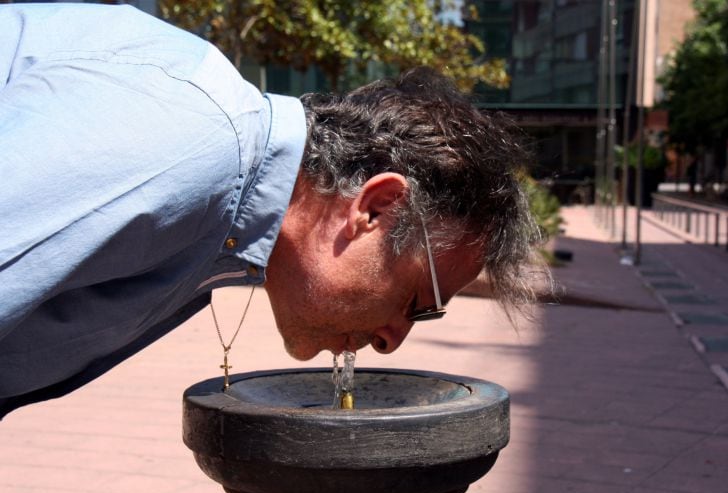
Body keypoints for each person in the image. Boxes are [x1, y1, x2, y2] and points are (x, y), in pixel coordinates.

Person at [0, 3, 542, 418]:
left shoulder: (216, 218)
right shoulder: (185, 138)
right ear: (374, 209)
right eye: (419, 303)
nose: (392, 339)